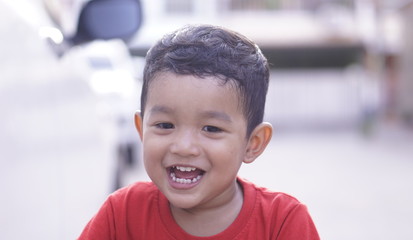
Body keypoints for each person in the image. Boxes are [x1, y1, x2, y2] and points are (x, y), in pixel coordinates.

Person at [78, 24, 320, 240]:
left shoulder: (282, 222)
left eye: (211, 129)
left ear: (253, 143)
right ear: (141, 129)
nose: (183, 146)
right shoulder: (122, 214)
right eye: (165, 125)